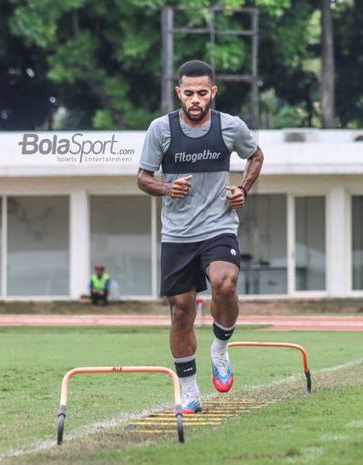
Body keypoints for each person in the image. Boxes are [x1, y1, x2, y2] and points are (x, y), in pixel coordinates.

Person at [136, 60, 264, 413]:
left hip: (218, 225)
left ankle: (220, 349)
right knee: (181, 311)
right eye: (188, 93)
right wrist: (166, 187)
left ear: (213, 93)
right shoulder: (161, 130)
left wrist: (243, 189)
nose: (195, 99)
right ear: (179, 92)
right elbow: (143, 177)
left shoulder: (230, 127)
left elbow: (255, 156)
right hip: (177, 234)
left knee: (225, 282)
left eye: (202, 93)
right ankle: (190, 392)